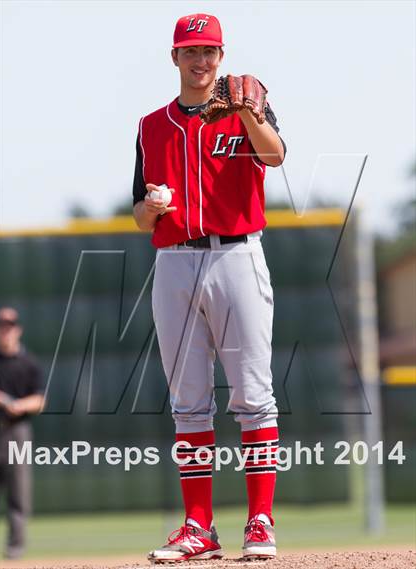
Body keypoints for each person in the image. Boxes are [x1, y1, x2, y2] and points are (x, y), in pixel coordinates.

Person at [132, 13, 286, 562]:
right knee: (189, 403)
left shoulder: (246, 106)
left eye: (211, 51)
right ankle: (199, 526)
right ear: (174, 57)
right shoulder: (151, 125)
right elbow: (139, 216)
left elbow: (274, 155)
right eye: (191, 51)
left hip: (236, 256)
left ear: (222, 56)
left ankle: (260, 522)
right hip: (173, 262)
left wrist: (249, 113)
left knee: (252, 395)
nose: (202, 61)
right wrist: (146, 209)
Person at [0, 307, 45, 560]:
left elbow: (39, 400)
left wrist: (17, 405)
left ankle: (15, 549)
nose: (5, 331)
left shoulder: (29, 363)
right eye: (1, 326)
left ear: (18, 330)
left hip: (18, 431)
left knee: (18, 492)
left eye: (9, 326)